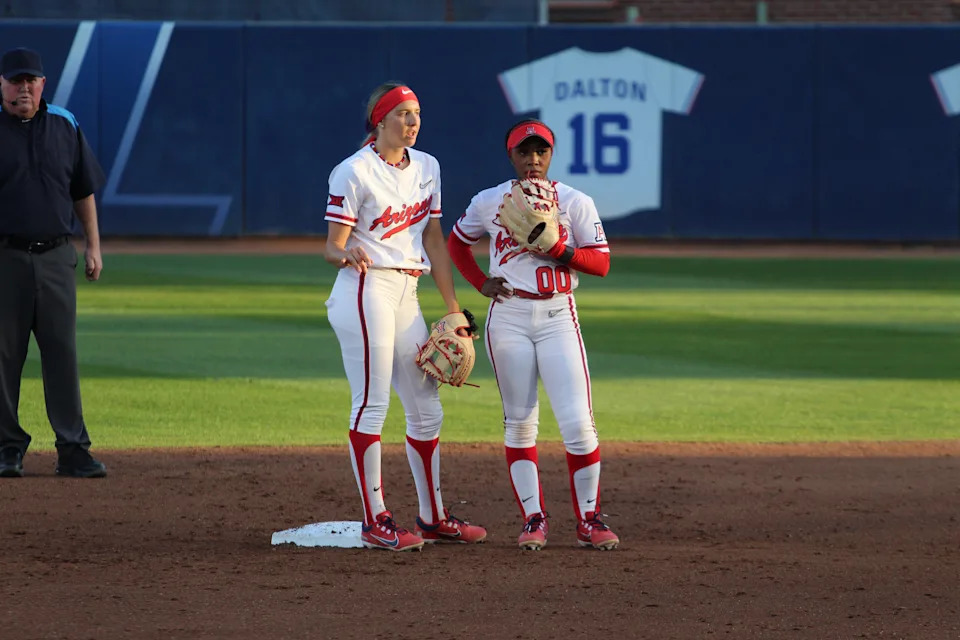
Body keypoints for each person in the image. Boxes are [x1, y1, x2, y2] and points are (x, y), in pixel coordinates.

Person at [323, 82, 487, 551]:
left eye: (416, 113)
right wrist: (344, 252)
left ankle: (433, 516)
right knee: (372, 403)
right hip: (365, 289)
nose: (412, 122)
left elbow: (434, 237)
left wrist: (452, 307)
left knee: (426, 404)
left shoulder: (428, 166)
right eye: (403, 114)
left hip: (407, 291)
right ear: (380, 121)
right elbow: (332, 246)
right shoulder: (353, 172)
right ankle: (376, 520)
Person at [447, 119, 620, 551]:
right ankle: (533, 521)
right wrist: (480, 283)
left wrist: (557, 249)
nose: (533, 160)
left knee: (579, 424)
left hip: (560, 315)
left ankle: (589, 520)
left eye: (541, 151)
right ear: (511, 156)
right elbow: (456, 243)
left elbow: (601, 263)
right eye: (524, 152)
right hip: (508, 316)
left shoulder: (574, 201)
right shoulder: (489, 201)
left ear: (551, 154)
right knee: (521, 424)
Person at [0, 47, 107, 479]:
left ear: (43, 84)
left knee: (62, 352)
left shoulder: (65, 124)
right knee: (4, 356)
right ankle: (7, 448)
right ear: (2, 84)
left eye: (31, 80)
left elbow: (83, 190)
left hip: (57, 255)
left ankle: (73, 448)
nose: (24, 87)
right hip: (5, 257)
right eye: (15, 79)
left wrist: (93, 246)